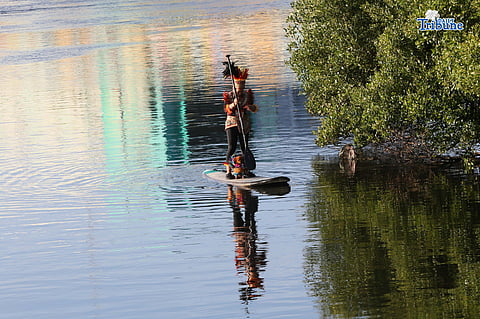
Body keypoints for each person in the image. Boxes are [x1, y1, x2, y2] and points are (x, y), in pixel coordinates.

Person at [222, 64, 258, 179]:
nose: (240, 90)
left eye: (242, 88)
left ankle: (246, 170)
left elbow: (254, 108)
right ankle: (228, 171)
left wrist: (251, 107)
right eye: (238, 88)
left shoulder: (247, 95)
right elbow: (227, 109)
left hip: (244, 123)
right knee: (232, 147)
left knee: (245, 146)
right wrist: (234, 104)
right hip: (232, 122)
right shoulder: (229, 95)